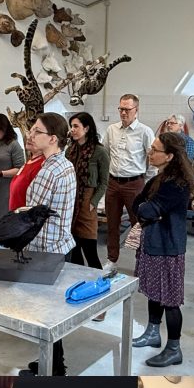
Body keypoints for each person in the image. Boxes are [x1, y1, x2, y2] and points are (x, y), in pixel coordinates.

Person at [131, 132, 194, 368]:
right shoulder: (159, 178)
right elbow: (138, 204)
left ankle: (174, 348)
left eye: (155, 150)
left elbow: (147, 209)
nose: (150, 152)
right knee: (154, 293)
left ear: (169, 156)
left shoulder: (176, 183)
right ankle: (152, 333)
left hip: (168, 247)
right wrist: (147, 209)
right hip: (154, 243)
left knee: (170, 300)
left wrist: (149, 209)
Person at [18, 113, 77, 377]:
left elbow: (31, 216)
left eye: (37, 132)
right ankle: (55, 364)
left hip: (44, 249)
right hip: (60, 244)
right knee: (52, 312)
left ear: (53, 138)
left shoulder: (48, 172)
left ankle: (52, 368)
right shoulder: (64, 165)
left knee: (44, 314)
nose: (31, 135)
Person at [102, 93, 154, 277]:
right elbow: (105, 153)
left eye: (127, 109)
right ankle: (111, 260)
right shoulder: (111, 130)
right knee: (112, 224)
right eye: (121, 109)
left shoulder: (145, 132)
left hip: (135, 183)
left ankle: (142, 262)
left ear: (136, 110)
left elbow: (153, 160)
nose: (123, 113)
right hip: (114, 183)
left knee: (138, 225)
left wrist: (148, 184)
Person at [65, 112, 108, 270]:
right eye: (72, 126)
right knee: (73, 251)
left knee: (90, 251)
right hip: (71, 201)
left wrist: (93, 202)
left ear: (87, 128)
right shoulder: (70, 150)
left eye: (76, 126)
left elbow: (104, 182)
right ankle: (77, 281)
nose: (72, 130)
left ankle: (99, 284)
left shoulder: (99, 151)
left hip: (87, 202)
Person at [9, 129, 46, 212]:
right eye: (30, 132)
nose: (29, 137)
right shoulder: (31, 160)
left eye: (36, 134)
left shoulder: (41, 165)